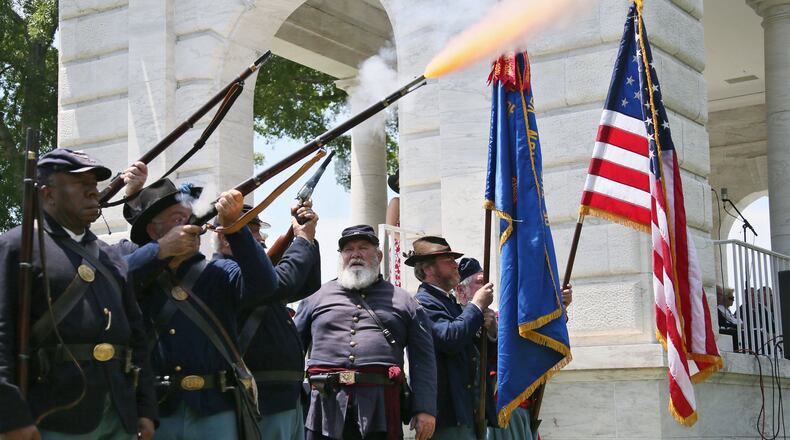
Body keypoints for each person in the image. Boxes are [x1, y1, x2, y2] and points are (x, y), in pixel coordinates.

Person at [0, 149, 157, 439]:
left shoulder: (110, 257)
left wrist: (146, 408)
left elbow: (137, 338)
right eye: (80, 185)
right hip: (51, 416)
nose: (92, 193)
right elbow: (2, 335)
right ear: (48, 195)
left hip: (118, 412)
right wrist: (10, 416)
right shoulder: (16, 246)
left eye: (94, 186)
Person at [121, 178, 278, 439]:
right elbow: (111, 279)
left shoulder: (218, 271)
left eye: (188, 216)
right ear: (152, 231)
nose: (189, 224)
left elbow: (265, 285)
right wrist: (159, 251)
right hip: (156, 411)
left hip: (215, 409)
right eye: (176, 218)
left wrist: (234, 227)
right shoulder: (136, 271)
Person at [295, 225, 437, 440]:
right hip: (324, 406)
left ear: (378, 255)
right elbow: (293, 349)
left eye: (363, 247)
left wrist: (424, 408)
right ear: (341, 256)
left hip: (381, 406)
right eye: (348, 249)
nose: (355, 254)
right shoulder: (316, 297)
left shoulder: (405, 301)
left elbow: (423, 360)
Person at [213, 202, 321, 440]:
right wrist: (302, 241)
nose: (261, 238)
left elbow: (307, 284)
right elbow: (285, 282)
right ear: (226, 237)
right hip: (261, 399)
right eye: (252, 232)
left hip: (285, 397)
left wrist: (306, 237)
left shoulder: (255, 276)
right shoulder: (223, 270)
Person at [407, 236, 495, 440]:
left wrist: (489, 330)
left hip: (465, 412)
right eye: (449, 261)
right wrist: (476, 306)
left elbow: (477, 353)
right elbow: (450, 339)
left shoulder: (448, 303)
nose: (456, 265)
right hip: (448, 415)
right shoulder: (422, 303)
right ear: (428, 269)